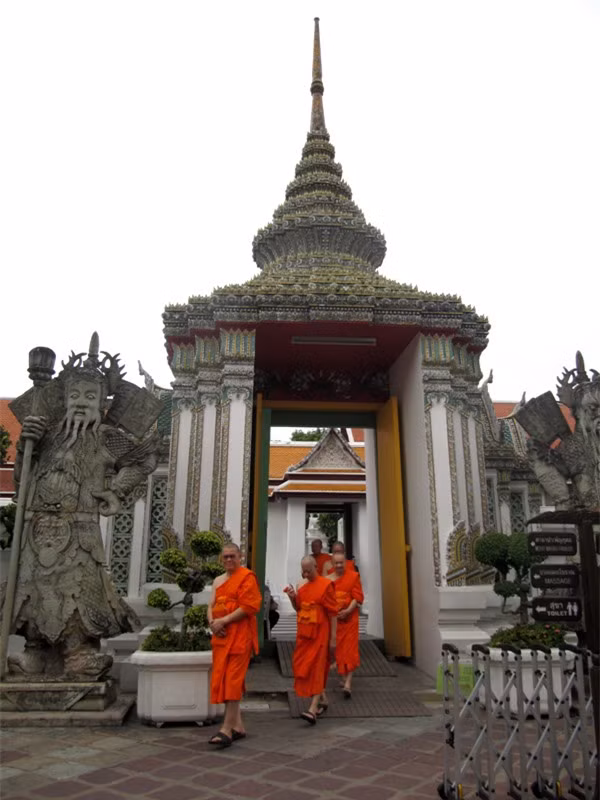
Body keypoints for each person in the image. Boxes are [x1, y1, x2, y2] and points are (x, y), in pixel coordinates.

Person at [208, 542, 262, 748]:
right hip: (221, 637)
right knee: (224, 680)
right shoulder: (218, 580)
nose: (229, 560)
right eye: (226, 557)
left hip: (240, 638)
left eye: (233, 556)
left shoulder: (247, 577)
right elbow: (210, 605)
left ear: (240, 557)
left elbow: (249, 606)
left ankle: (226, 729)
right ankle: (238, 726)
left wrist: (225, 621)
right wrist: (213, 623)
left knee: (232, 681)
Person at [284, 555, 337, 724]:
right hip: (305, 634)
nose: (305, 574)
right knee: (302, 666)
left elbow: (333, 614)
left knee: (317, 668)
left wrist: (333, 639)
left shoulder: (326, 585)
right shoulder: (301, 585)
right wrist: (292, 597)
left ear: (316, 567)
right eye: (303, 571)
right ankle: (323, 699)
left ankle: (312, 709)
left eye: (309, 570)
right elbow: (298, 607)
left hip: (321, 633)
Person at [328, 552, 364, 698]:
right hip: (336, 621)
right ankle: (344, 678)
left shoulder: (353, 576)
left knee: (350, 650)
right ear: (332, 563)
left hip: (350, 620)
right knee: (338, 651)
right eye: (336, 563)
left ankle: (348, 683)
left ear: (346, 563)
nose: (339, 566)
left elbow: (357, 596)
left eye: (341, 563)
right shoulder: (329, 578)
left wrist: (348, 610)